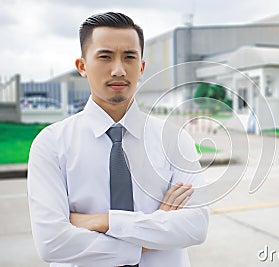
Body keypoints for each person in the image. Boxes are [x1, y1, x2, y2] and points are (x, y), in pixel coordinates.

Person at [27, 12, 209, 267]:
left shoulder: (174, 139)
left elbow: (196, 227)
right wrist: (151, 233)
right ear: (82, 66)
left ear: (142, 67)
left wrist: (104, 221)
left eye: (129, 57)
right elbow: (52, 243)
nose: (119, 69)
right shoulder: (51, 144)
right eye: (105, 57)